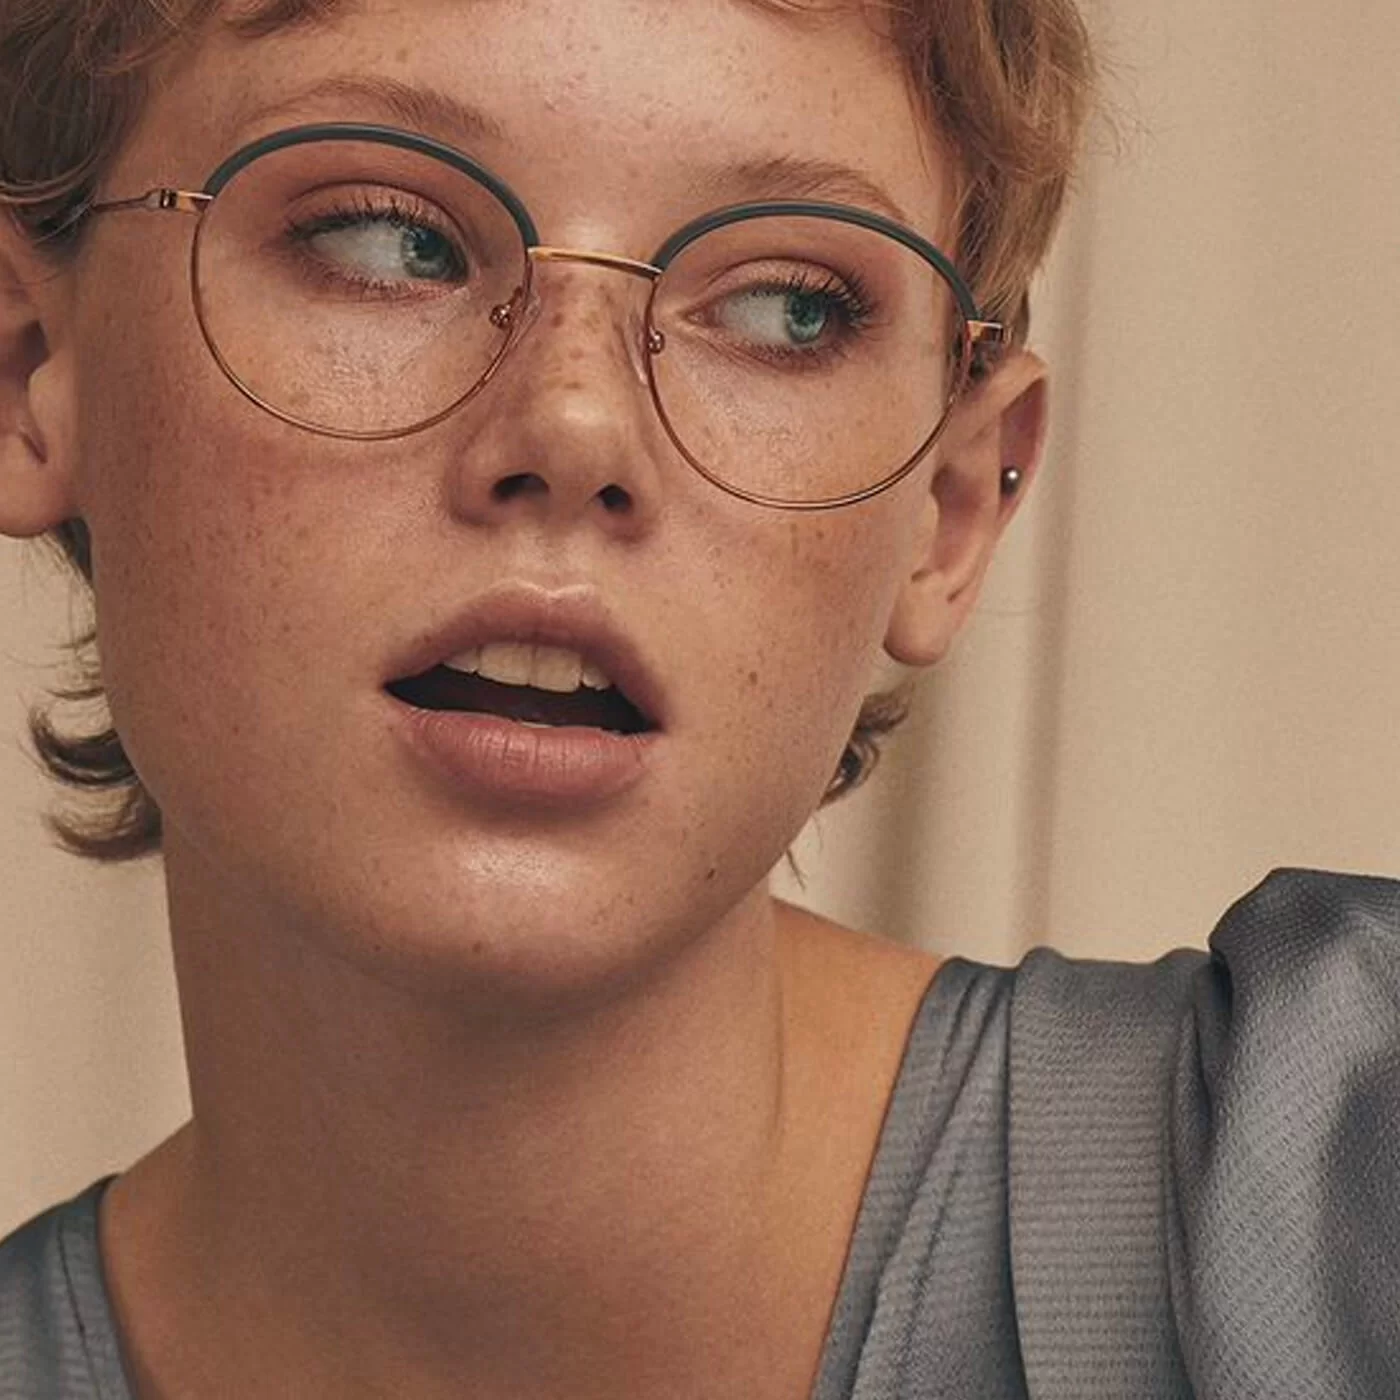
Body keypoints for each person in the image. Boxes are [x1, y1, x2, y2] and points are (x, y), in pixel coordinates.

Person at [0, 1, 1396, 1397]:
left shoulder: (1336, 1196)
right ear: (23, 373)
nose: (574, 426)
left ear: (955, 504)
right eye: (386, 238)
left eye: (789, 307)